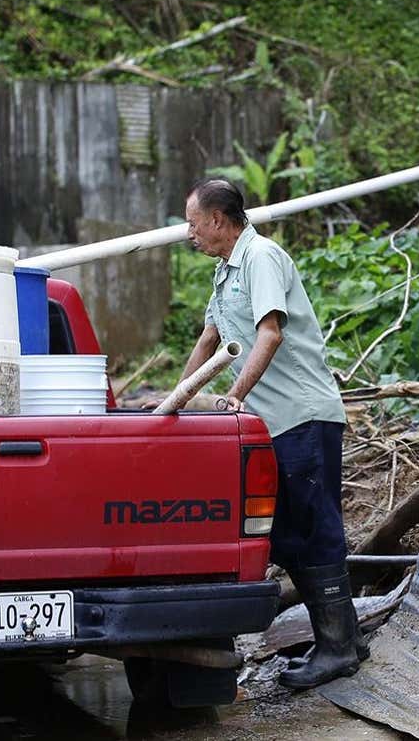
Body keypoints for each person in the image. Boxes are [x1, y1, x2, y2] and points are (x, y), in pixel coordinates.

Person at [170, 178, 362, 689]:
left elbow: (270, 332)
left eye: (192, 223)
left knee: (313, 526)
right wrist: (176, 398)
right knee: (288, 530)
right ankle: (343, 638)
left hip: (302, 413)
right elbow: (211, 337)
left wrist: (236, 394)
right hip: (272, 423)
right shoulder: (224, 272)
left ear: (217, 220)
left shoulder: (261, 257)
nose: (188, 233)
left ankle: (339, 648)